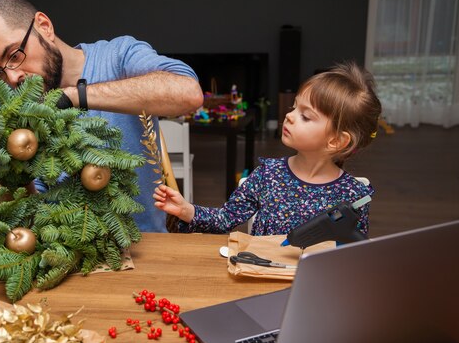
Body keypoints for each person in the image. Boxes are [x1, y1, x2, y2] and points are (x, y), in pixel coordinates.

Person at [0, 0, 203, 233]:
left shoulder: (118, 57)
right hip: (61, 253)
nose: (13, 78)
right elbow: (28, 208)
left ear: (44, 26)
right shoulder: (13, 99)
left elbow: (188, 93)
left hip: (144, 246)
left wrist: (74, 96)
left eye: (15, 55)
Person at [154, 62, 382, 240]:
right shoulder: (268, 175)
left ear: (336, 141)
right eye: (294, 107)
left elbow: (351, 254)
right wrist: (186, 210)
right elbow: (224, 219)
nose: (289, 116)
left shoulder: (354, 196)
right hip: (261, 284)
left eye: (305, 116)